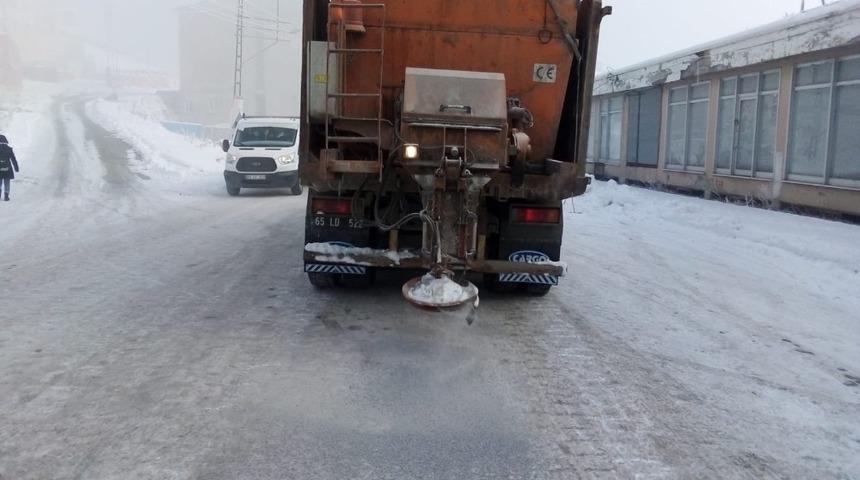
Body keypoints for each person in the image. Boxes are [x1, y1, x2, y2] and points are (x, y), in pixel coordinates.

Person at [0, 134, 20, 201]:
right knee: (7, 182)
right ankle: (6, 196)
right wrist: (16, 168)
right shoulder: (9, 149)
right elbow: (13, 159)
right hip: (7, 168)